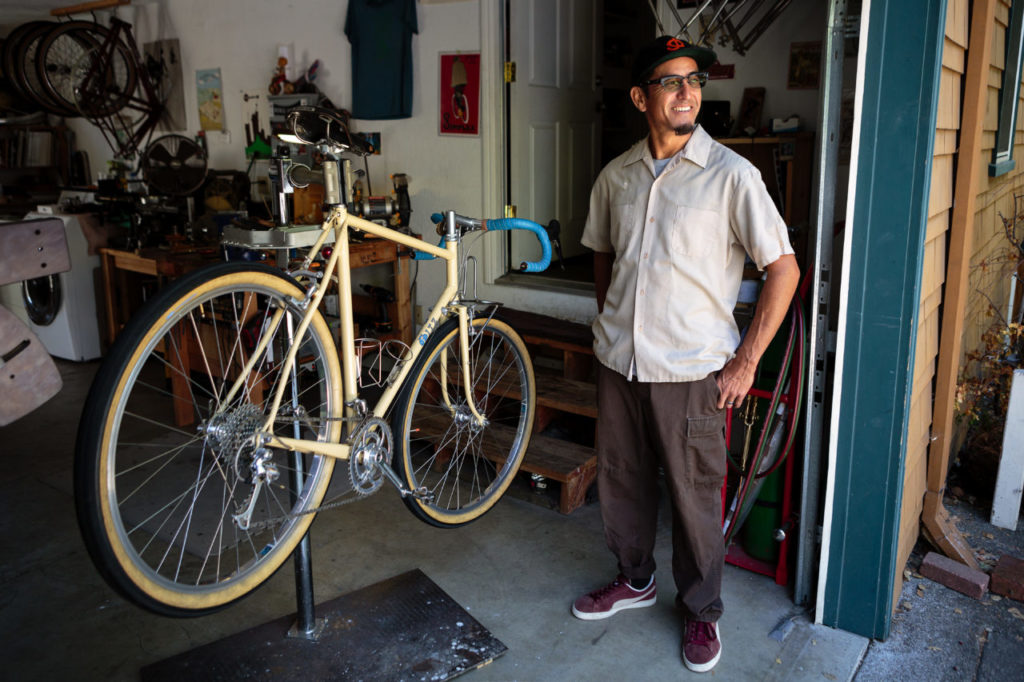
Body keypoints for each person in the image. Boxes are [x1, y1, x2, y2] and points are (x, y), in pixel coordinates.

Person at [572, 36, 800, 674]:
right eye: (670, 81)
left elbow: (783, 269)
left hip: (693, 371)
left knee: (696, 495)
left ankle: (701, 610)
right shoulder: (616, 176)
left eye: (694, 80)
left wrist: (746, 361)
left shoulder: (732, 175)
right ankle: (635, 579)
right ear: (640, 96)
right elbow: (604, 256)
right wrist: (612, 323)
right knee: (622, 478)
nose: (686, 92)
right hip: (620, 362)